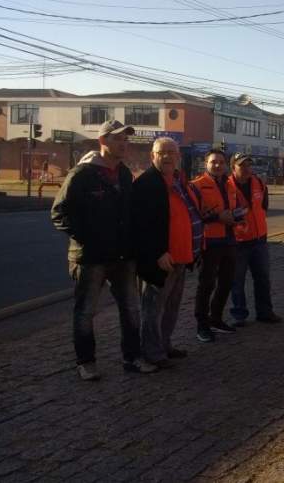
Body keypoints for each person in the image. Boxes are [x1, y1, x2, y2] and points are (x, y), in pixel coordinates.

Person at [51, 120, 157, 380]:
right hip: (91, 258)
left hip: (123, 257)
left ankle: (131, 358)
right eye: (118, 139)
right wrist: (89, 238)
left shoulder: (123, 173)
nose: (124, 144)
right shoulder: (82, 174)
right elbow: (59, 213)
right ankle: (86, 362)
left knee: (131, 309)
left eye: (126, 139)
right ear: (103, 141)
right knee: (86, 311)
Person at [132, 137, 203, 368]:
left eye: (171, 153)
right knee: (153, 309)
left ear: (178, 157)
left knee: (171, 307)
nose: (167, 157)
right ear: (152, 156)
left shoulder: (178, 181)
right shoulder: (147, 184)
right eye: (162, 153)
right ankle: (152, 353)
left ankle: (164, 345)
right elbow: (141, 225)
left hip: (181, 257)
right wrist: (157, 252)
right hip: (161, 260)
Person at [191, 149, 240, 342]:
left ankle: (216, 319)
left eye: (221, 162)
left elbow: (232, 209)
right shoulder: (197, 186)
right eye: (213, 162)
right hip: (209, 241)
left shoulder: (229, 185)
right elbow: (194, 215)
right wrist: (217, 217)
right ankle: (202, 326)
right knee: (206, 285)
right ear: (206, 164)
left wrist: (237, 216)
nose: (218, 165)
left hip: (229, 239)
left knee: (226, 282)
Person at [228, 153, 281, 325]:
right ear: (233, 167)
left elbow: (264, 206)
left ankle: (265, 312)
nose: (246, 169)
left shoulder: (258, 182)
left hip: (259, 240)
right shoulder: (226, 186)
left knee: (263, 278)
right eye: (242, 165)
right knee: (237, 280)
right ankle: (239, 315)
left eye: (248, 165)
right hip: (239, 242)